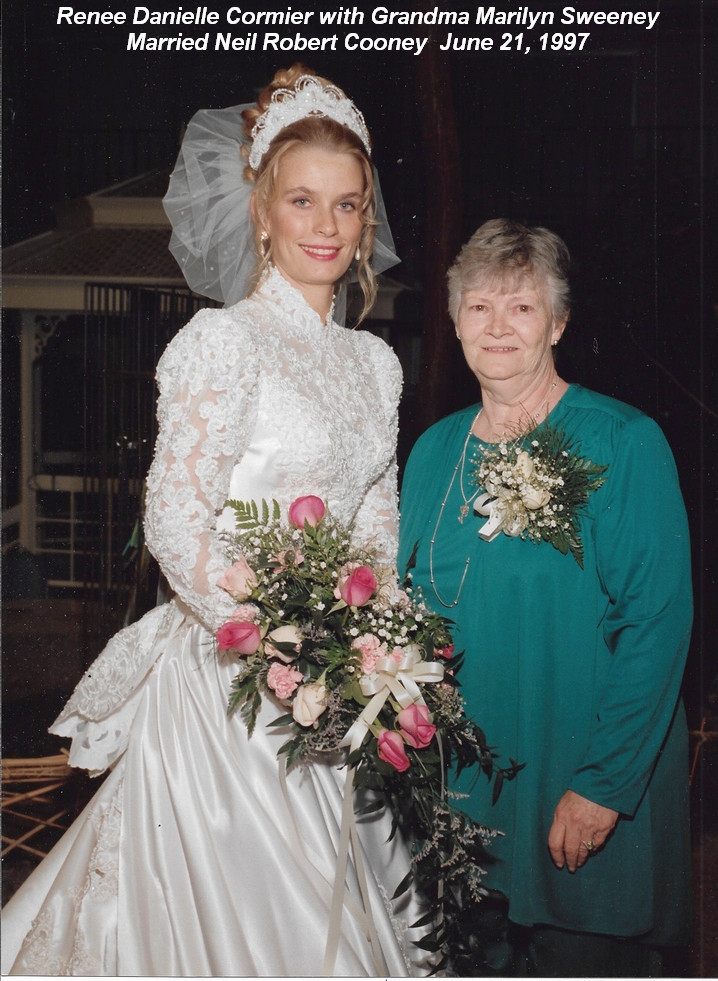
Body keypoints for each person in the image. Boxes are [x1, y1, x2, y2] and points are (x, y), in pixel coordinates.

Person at [2, 66, 430, 977]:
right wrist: (275, 638)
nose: (326, 224)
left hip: (336, 682)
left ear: (366, 222)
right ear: (263, 213)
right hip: (231, 680)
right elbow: (173, 518)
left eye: (347, 204)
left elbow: (375, 519)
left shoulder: (376, 364)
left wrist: (373, 644)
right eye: (303, 200)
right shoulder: (221, 342)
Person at [398, 219, 693, 977]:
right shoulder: (432, 452)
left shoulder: (621, 440)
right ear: (455, 321)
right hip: (463, 796)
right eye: (479, 306)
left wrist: (603, 786)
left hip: (576, 784)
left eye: (522, 307)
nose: (497, 326)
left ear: (558, 323)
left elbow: (656, 625)